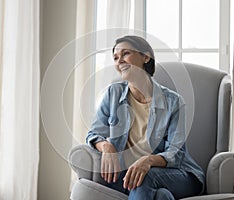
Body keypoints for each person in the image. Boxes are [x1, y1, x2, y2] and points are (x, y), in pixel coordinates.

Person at [86, 35, 205, 200]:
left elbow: (176, 153)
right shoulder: (113, 94)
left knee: (144, 177)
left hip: (178, 174)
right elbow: (93, 134)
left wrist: (147, 161)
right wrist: (106, 146)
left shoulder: (173, 102)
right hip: (130, 174)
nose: (119, 60)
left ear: (146, 56)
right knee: (161, 196)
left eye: (125, 53)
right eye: (115, 57)